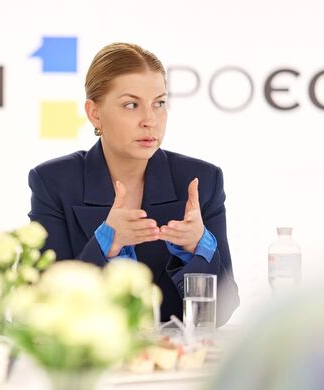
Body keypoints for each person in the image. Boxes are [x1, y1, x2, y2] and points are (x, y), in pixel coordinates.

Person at [28, 42, 239, 324]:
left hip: (173, 352)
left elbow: (224, 310)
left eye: (159, 103)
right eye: (131, 105)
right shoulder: (54, 182)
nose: (150, 120)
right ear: (94, 113)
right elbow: (46, 307)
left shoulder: (201, 180)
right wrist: (104, 246)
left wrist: (198, 249)